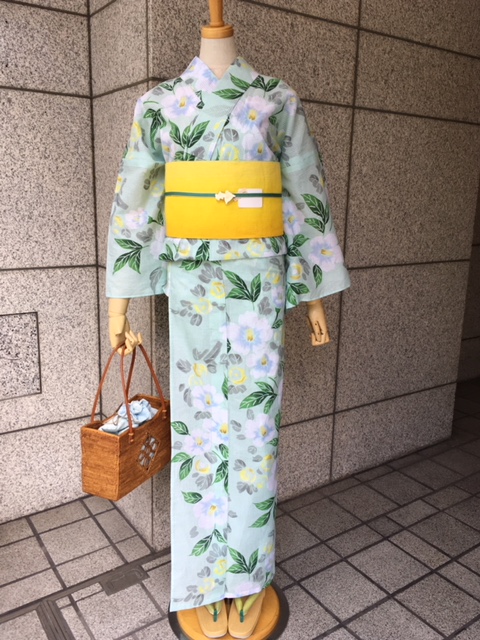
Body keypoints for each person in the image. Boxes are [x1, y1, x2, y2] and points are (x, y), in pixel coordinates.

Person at [106, 13, 350, 640]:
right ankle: (202, 582)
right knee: (198, 430)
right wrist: (120, 303)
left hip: (258, 286)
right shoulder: (159, 104)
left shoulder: (275, 98)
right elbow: (136, 199)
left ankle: (248, 577)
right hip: (192, 282)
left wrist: (313, 297)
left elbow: (303, 191)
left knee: (254, 431)